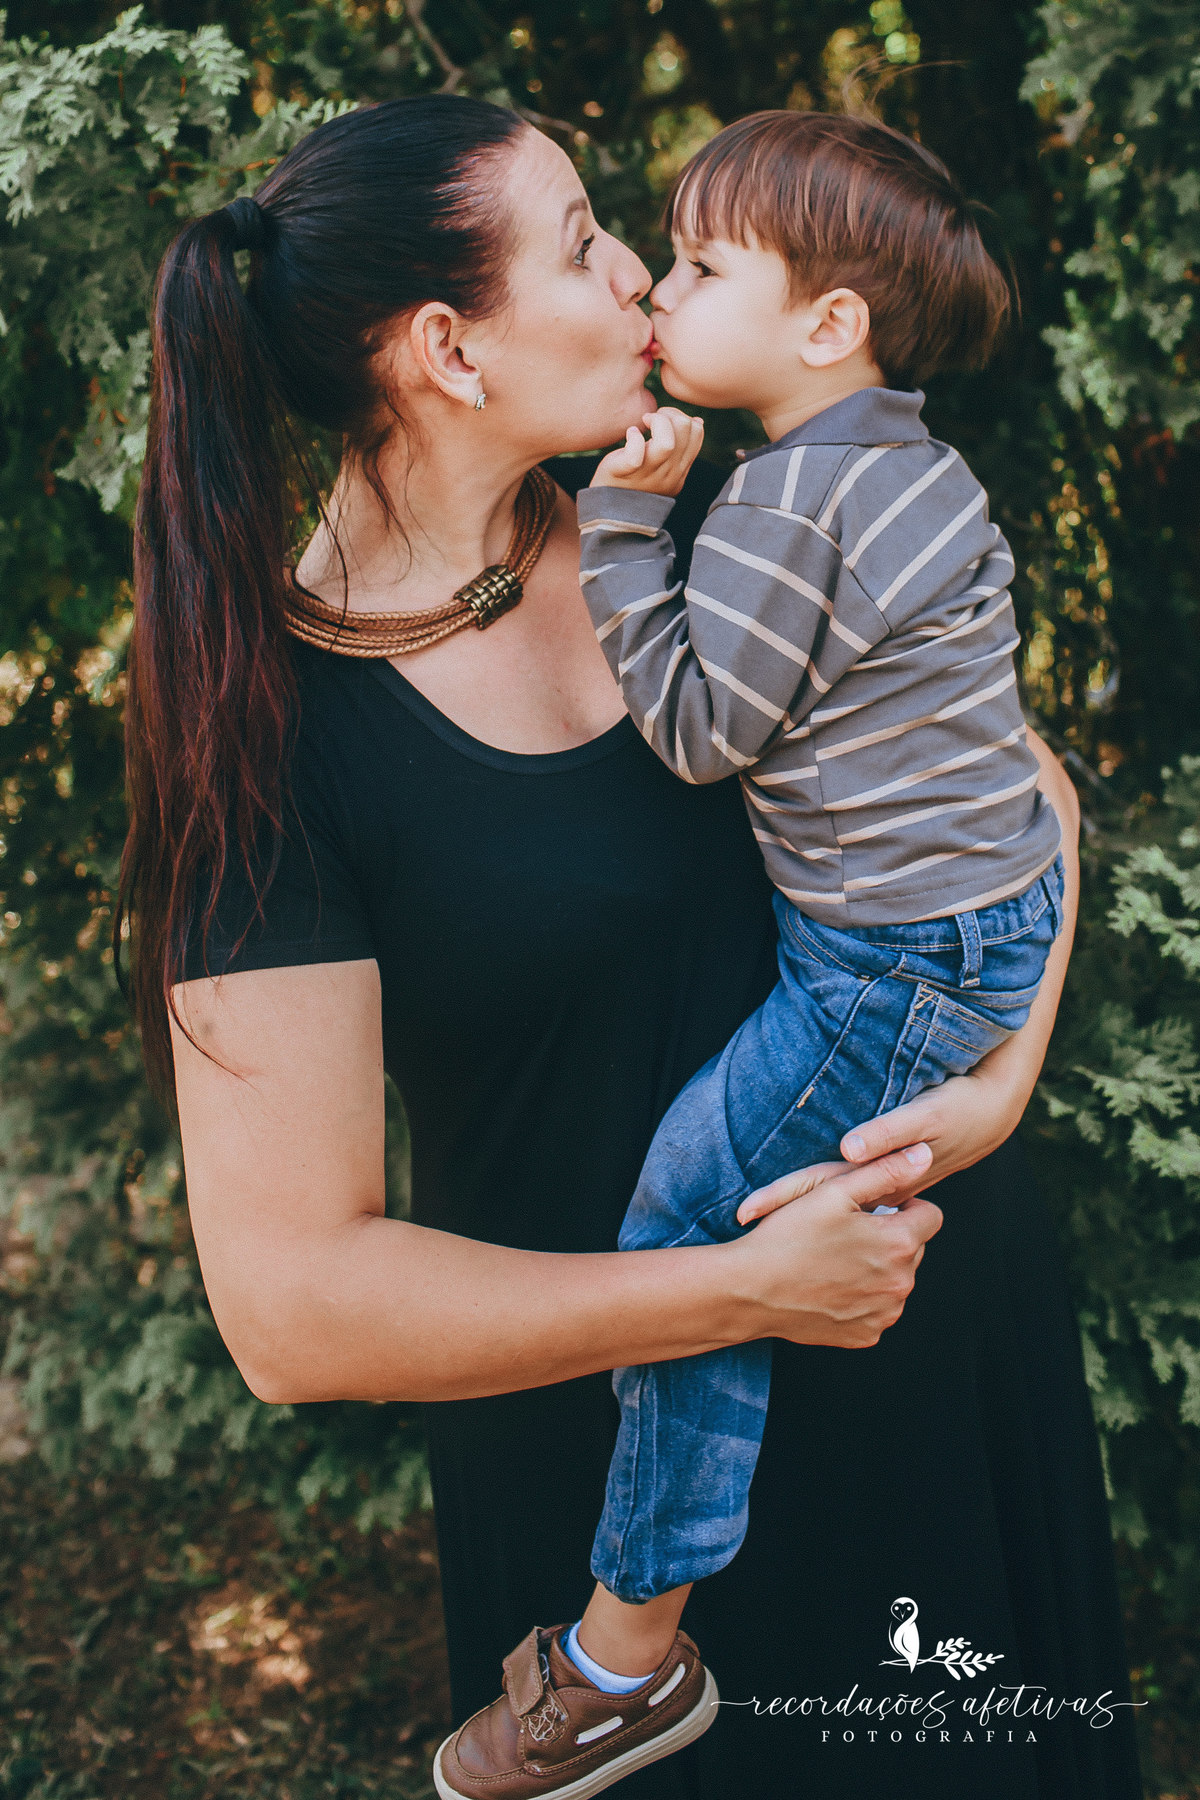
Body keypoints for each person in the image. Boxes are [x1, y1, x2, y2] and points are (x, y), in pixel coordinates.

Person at [124, 93, 1141, 1800]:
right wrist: (738, 1289)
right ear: (451, 348)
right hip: (615, 1507)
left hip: (929, 1369)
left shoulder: (712, 519)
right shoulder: (271, 734)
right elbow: (292, 1309)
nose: (642, 284)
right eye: (593, 243)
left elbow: (1016, 791)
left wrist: (993, 1096)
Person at [433, 112, 1070, 1800]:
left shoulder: (792, 495)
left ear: (827, 328)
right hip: (969, 927)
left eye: (702, 265)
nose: (660, 289)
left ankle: (623, 1654)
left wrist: (632, 521)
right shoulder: (908, 466)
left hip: (886, 973)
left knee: (680, 1228)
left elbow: (705, 731)